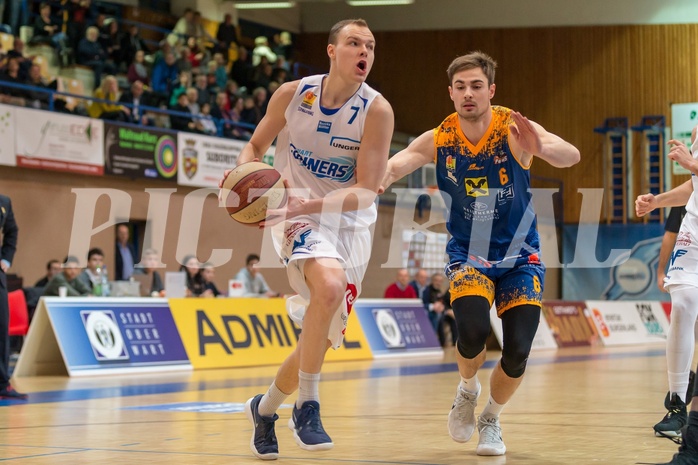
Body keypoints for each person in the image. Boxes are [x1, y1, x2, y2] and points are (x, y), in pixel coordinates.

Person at [380, 50, 579, 456]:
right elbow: (396, 164)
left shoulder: (512, 128)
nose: (468, 93)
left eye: (476, 86)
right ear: (451, 93)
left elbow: (570, 156)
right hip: (468, 254)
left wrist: (538, 145)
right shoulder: (441, 137)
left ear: (491, 90)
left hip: (521, 256)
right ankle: (467, 390)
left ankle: (491, 418)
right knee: (471, 334)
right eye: (460, 87)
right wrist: (375, 181)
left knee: (518, 350)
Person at [219, 18, 393, 460]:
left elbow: (365, 190)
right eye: (355, 43)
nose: (365, 53)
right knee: (329, 288)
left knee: (322, 337)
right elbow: (253, 148)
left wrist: (310, 206)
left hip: (349, 223)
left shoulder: (376, 110)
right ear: (332, 51)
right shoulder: (292, 94)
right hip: (295, 217)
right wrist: (245, 178)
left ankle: (265, 408)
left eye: (370, 46)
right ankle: (308, 405)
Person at [637, 132, 698, 464]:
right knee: (684, 303)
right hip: (695, 231)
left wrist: (693, 164)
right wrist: (658, 200)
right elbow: (694, 184)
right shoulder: (696, 130)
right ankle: (677, 402)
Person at [0, 194, 26, 399]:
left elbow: (12, 232)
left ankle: (1, 383)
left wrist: (6, 259)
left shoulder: (4, 202)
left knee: (1, 327)